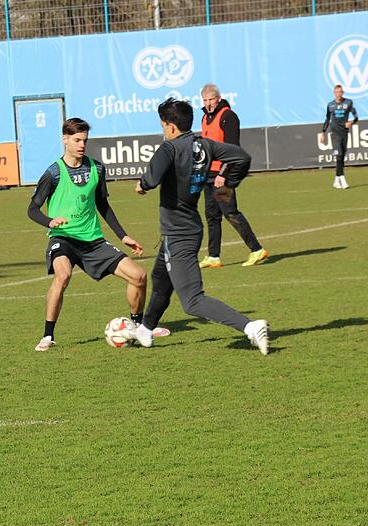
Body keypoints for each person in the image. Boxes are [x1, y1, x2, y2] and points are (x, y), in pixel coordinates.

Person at [131, 98, 269, 354]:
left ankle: (250, 326)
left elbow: (151, 178)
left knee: (192, 301)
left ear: (171, 126)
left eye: (163, 125)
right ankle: (145, 329)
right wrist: (228, 182)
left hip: (178, 233)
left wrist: (142, 185)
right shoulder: (204, 144)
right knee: (161, 280)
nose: (163, 130)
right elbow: (242, 157)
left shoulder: (169, 148)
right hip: (188, 227)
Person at [27, 117, 167, 352]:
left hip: (93, 241)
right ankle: (48, 335)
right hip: (63, 238)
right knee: (63, 275)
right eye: (77, 140)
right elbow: (32, 210)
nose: (82, 145)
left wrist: (123, 236)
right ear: (65, 139)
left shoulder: (97, 168)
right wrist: (50, 221)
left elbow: (103, 205)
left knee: (139, 276)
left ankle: (138, 326)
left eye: (85, 140)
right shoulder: (54, 173)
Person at [198, 83, 267, 269]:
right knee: (212, 216)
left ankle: (256, 249)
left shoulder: (228, 116)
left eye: (211, 99)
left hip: (222, 176)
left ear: (218, 99)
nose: (208, 103)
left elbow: (233, 149)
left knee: (230, 212)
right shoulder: (204, 117)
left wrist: (223, 174)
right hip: (209, 175)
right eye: (204, 100)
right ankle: (213, 256)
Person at [320, 85, 358, 189]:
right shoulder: (330, 105)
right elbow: (327, 119)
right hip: (334, 133)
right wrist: (323, 133)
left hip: (344, 132)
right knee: (339, 155)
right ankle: (343, 180)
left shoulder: (348, 103)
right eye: (337, 92)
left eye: (340, 92)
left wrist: (351, 122)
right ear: (334, 93)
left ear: (343, 92)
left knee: (342, 157)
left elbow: (356, 117)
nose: (338, 94)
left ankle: (336, 181)